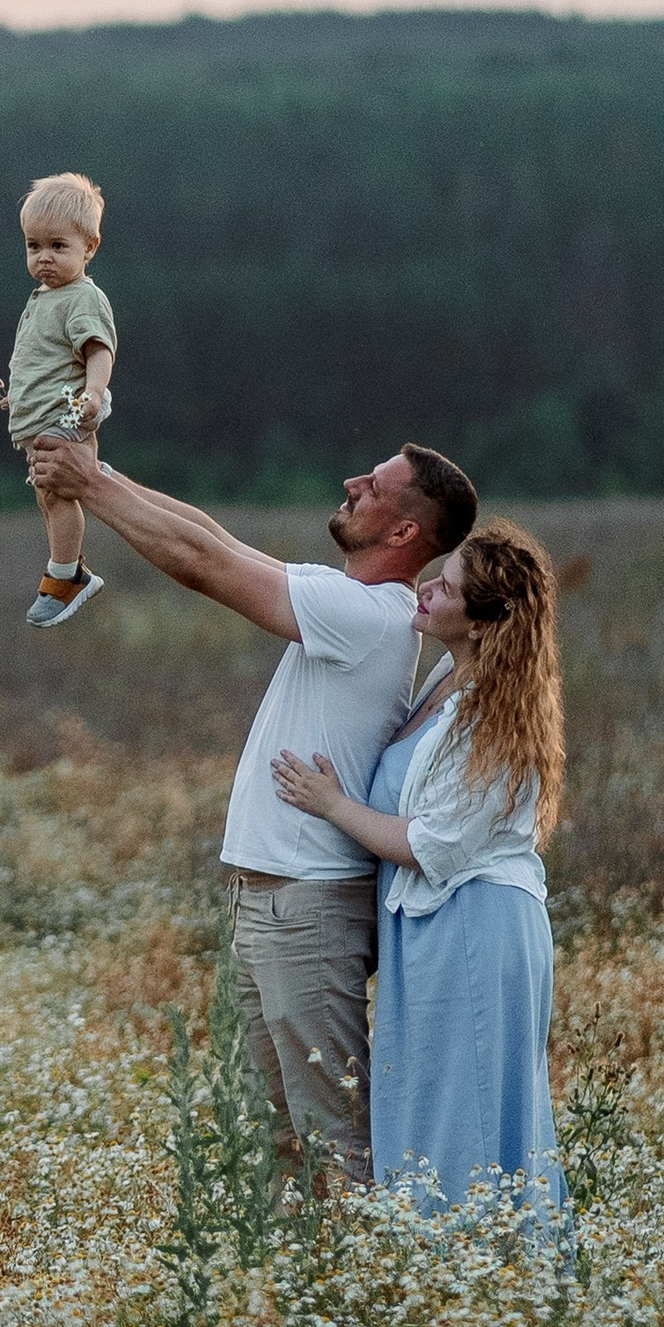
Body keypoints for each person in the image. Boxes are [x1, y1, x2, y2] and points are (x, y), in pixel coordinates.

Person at [26, 432, 477, 1185]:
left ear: (404, 534)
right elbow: (214, 537)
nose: (353, 479)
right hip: (271, 901)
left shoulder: (366, 615)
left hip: (306, 908)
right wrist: (93, 472)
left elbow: (203, 566)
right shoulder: (353, 599)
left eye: (376, 484)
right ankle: (281, 1294)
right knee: (269, 1138)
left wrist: (91, 488)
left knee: (330, 1137)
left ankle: (369, 1287)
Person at [272, 521, 568, 1220]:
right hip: (433, 929)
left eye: (450, 585)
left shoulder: (493, 716)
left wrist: (332, 804)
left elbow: (431, 845)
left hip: (473, 927)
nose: (428, 585)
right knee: (433, 1104)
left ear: (484, 621)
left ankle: (478, 1276)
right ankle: (447, 1280)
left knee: (461, 1113)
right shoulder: (446, 680)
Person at [0, 172, 117, 628]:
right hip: (43, 415)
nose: (43, 258)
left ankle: (65, 577)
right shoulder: (45, 297)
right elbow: (44, 360)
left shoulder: (82, 298)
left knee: (58, 492)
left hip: (71, 412)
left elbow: (98, 350)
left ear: (90, 247)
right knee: (47, 494)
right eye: (33, 246)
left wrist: (94, 394)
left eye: (58, 247)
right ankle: (68, 567)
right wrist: (17, 398)